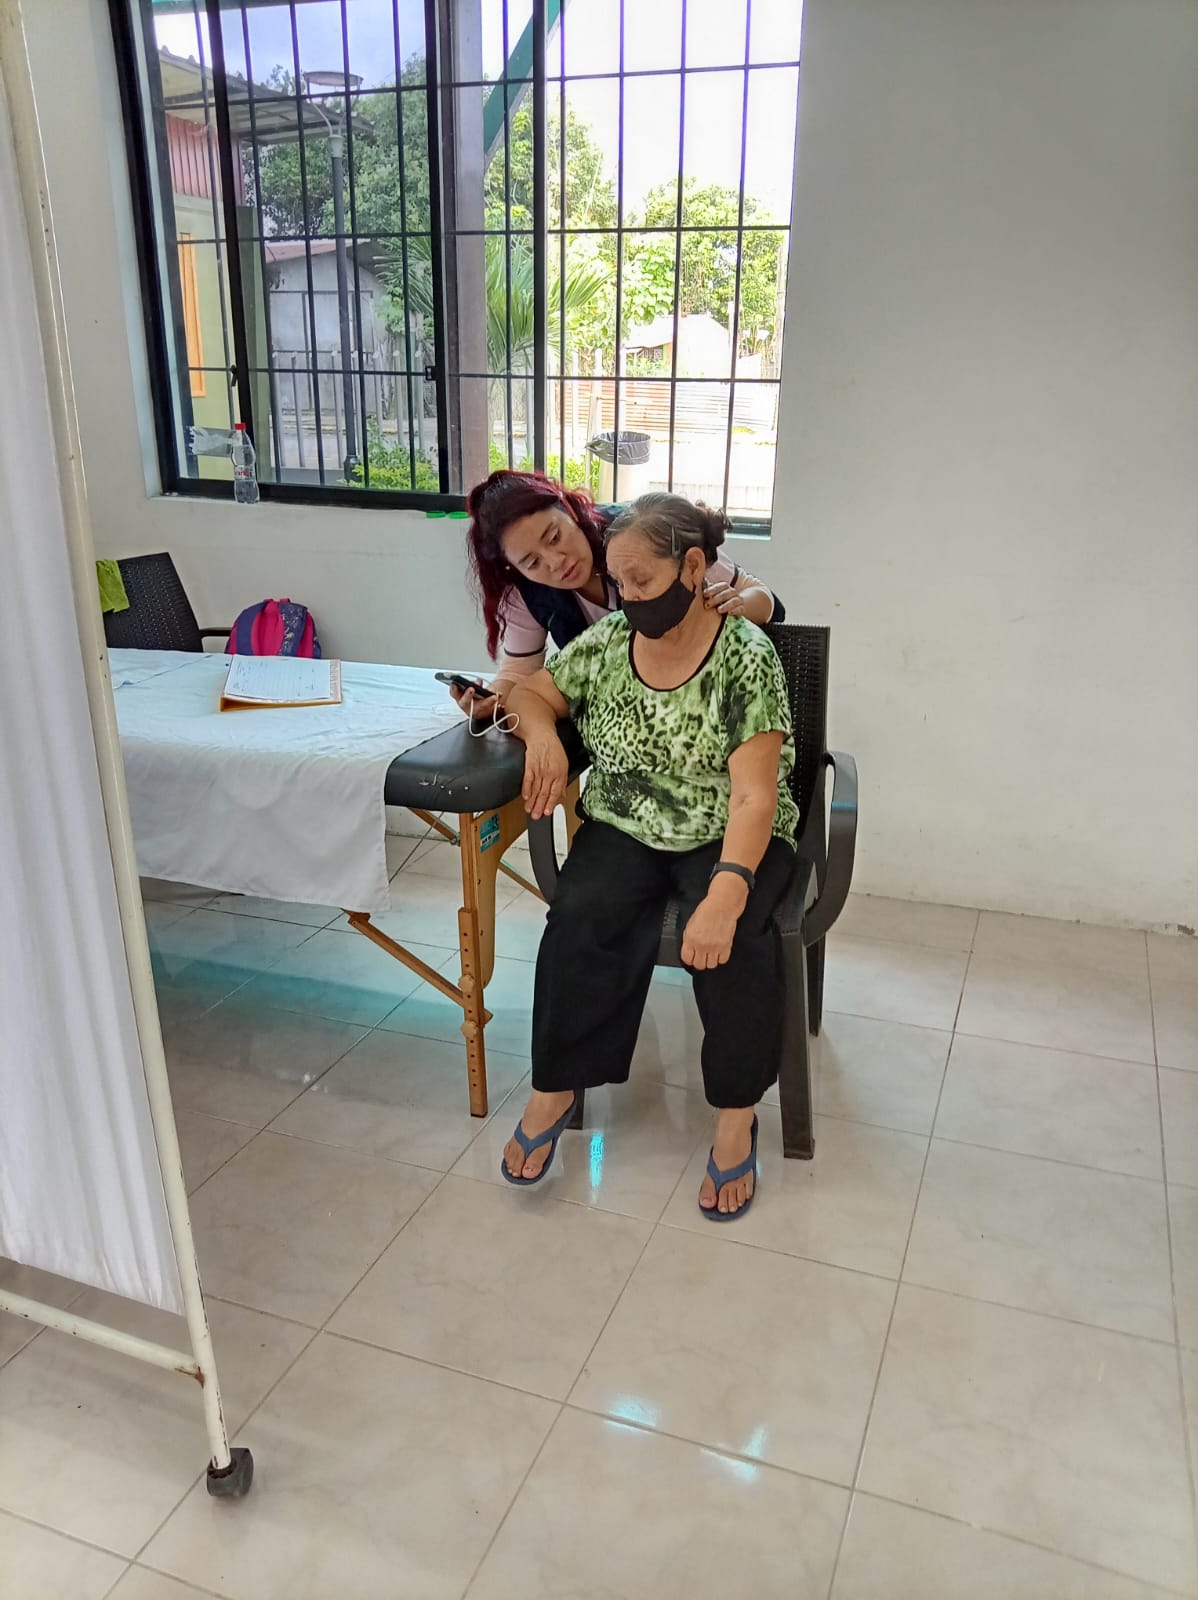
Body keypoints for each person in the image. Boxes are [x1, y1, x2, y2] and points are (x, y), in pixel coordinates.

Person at [500, 492, 799, 1219]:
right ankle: (554, 1089)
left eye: (641, 580)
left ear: (693, 568)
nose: (627, 597)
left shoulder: (745, 655)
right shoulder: (607, 643)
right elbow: (532, 694)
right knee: (579, 916)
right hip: (627, 822)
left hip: (729, 827)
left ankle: (736, 1117)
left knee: (734, 941)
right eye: (619, 582)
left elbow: (755, 797)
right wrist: (542, 737)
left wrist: (726, 893)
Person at [450, 469, 785, 720]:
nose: (555, 562)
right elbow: (520, 673)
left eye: (554, 538)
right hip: (636, 720)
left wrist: (740, 605)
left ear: (568, 509)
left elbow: (764, 598)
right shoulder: (526, 593)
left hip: (704, 703)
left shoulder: (642, 532)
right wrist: (490, 700)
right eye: (532, 563)